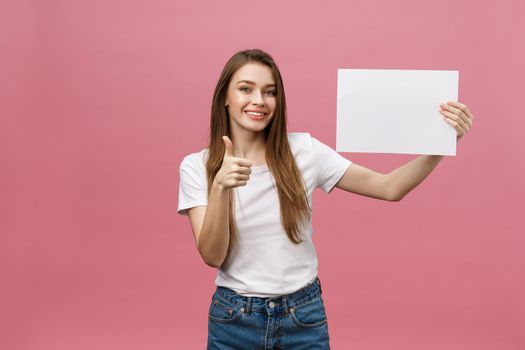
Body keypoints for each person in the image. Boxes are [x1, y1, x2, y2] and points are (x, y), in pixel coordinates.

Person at [177, 48, 473, 349]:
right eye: (245, 89)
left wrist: (442, 142)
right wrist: (220, 188)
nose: (259, 101)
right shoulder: (197, 167)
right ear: (224, 97)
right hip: (234, 319)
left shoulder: (305, 151)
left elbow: (389, 187)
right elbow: (212, 256)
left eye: (270, 92)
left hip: (301, 316)